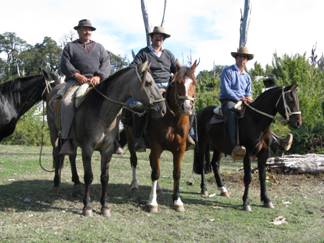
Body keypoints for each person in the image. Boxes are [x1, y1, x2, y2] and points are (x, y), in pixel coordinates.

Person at [131, 26, 195, 151]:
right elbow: (133, 67)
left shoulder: (168, 54)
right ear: (152, 37)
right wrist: (142, 69)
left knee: (188, 103)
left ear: (163, 39)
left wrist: (185, 72)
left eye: (161, 36)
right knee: (139, 106)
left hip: (169, 87)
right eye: (156, 36)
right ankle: (139, 139)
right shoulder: (143, 53)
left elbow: (178, 69)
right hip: (150, 87)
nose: (158, 38)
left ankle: (189, 135)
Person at [59, 19, 111, 155]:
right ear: (78, 31)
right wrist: (76, 75)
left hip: (96, 83)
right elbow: (64, 63)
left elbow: (106, 63)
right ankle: (67, 140)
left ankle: (114, 138)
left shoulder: (100, 47)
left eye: (89, 29)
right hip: (76, 82)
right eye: (84, 29)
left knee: (114, 100)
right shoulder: (70, 47)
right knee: (66, 103)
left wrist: (99, 76)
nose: (87, 31)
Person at [220, 46, 254, 158]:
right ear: (236, 58)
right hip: (229, 101)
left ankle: (267, 141)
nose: (242, 59)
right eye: (240, 57)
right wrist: (240, 98)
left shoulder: (247, 77)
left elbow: (248, 92)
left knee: (257, 114)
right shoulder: (228, 71)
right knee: (231, 112)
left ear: (247, 60)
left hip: (244, 102)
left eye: (244, 58)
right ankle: (234, 146)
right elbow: (226, 89)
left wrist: (248, 98)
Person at [262, 76, 293, 153]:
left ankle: (279, 142)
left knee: (266, 128)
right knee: (264, 128)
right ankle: (280, 143)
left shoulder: (268, 91)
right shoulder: (270, 91)